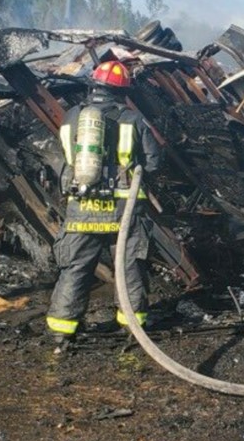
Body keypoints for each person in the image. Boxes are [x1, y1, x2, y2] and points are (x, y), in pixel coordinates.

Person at [46, 59, 161, 345]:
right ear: (122, 91)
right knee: (129, 267)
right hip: (124, 209)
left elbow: (64, 155)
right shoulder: (132, 119)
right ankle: (133, 328)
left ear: (94, 84)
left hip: (81, 208)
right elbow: (154, 163)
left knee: (75, 268)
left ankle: (61, 330)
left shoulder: (72, 116)